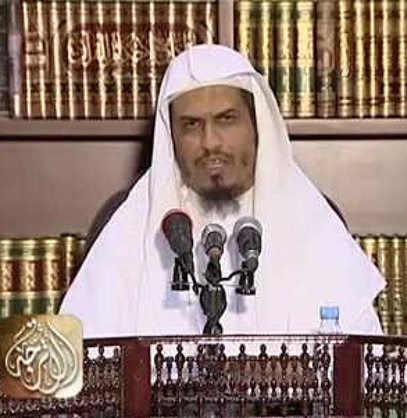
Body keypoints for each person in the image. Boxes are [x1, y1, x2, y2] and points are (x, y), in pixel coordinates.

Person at [59, 44, 386, 338]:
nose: (210, 142)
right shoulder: (128, 229)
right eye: (191, 125)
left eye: (226, 119)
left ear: (256, 125)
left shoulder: (313, 224)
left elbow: (359, 365)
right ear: (171, 138)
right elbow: (81, 365)